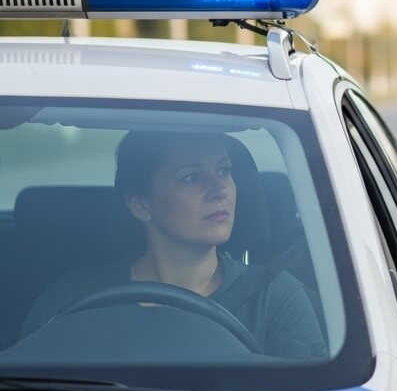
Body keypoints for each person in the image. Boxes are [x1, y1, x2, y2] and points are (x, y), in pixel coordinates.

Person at [22, 130, 325, 358]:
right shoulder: (74, 300)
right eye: (192, 177)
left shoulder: (273, 299)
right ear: (140, 204)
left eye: (223, 171)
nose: (219, 189)